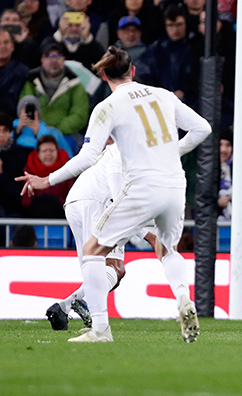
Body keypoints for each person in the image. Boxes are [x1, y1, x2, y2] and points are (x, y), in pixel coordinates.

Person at [17, 46, 211, 343]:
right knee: (167, 249)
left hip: (135, 186)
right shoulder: (164, 95)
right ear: (133, 71)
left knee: (95, 254)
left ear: (104, 75)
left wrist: (47, 180)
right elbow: (202, 128)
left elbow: (87, 156)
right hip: (174, 184)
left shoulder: (108, 107)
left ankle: (99, 329)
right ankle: (184, 298)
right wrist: (175, 149)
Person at [45, 143, 157, 331]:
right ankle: (88, 310)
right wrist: (150, 236)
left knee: (94, 272)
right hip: (98, 202)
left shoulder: (131, 143)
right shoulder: (139, 149)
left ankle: (64, 309)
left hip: (74, 201)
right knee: (115, 269)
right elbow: (120, 201)